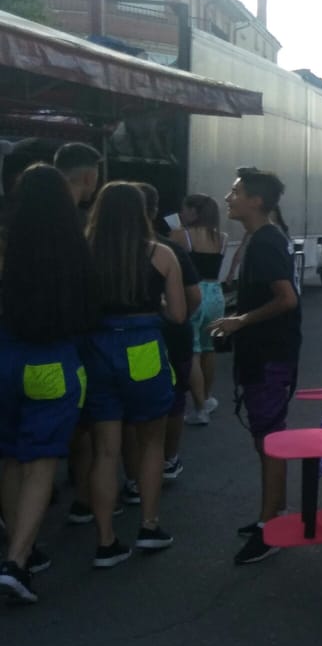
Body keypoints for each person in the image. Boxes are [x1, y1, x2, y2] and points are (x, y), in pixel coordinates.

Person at [0, 165, 98, 602]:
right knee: (41, 462)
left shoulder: (7, 244)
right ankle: (18, 560)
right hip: (55, 362)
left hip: (5, 358)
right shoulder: (76, 248)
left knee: (9, 457)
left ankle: (24, 550)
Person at [82, 182, 187, 567]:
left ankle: (106, 539)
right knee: (150, 441)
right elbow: (178, 315)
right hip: (143, 345)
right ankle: (148, 525)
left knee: (105, 449)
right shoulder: (161, 254)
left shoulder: (85, 252)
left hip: (96, 347)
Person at [211, 168, 302, 566]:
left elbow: (287, 299)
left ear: (257, 201)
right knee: (265, 439)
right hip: (262, 355)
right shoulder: (262, 238)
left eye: (235, 192)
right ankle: (274, 514)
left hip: (269, 357)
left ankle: (272, 528)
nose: (228, 197)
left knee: (271, 442)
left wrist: (240, 321)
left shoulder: (266, 241)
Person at [132, 183, 200, 499]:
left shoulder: (97, 248)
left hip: (110, 343)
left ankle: (132, 476)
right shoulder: (166, 250)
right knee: (170, 404)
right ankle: (167, 461)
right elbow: (189, 302)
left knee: (120, 413)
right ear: (154, 210)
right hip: (168, 339)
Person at [172, 194, 226, 425]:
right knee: (208, 347)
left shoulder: (181, 235)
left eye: (184, 209)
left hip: (193, 292)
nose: (181, 214)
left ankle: (199, 407)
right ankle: (208, 397)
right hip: (216, 293)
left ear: (194, 212)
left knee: (192, 351)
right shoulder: (221, 238)